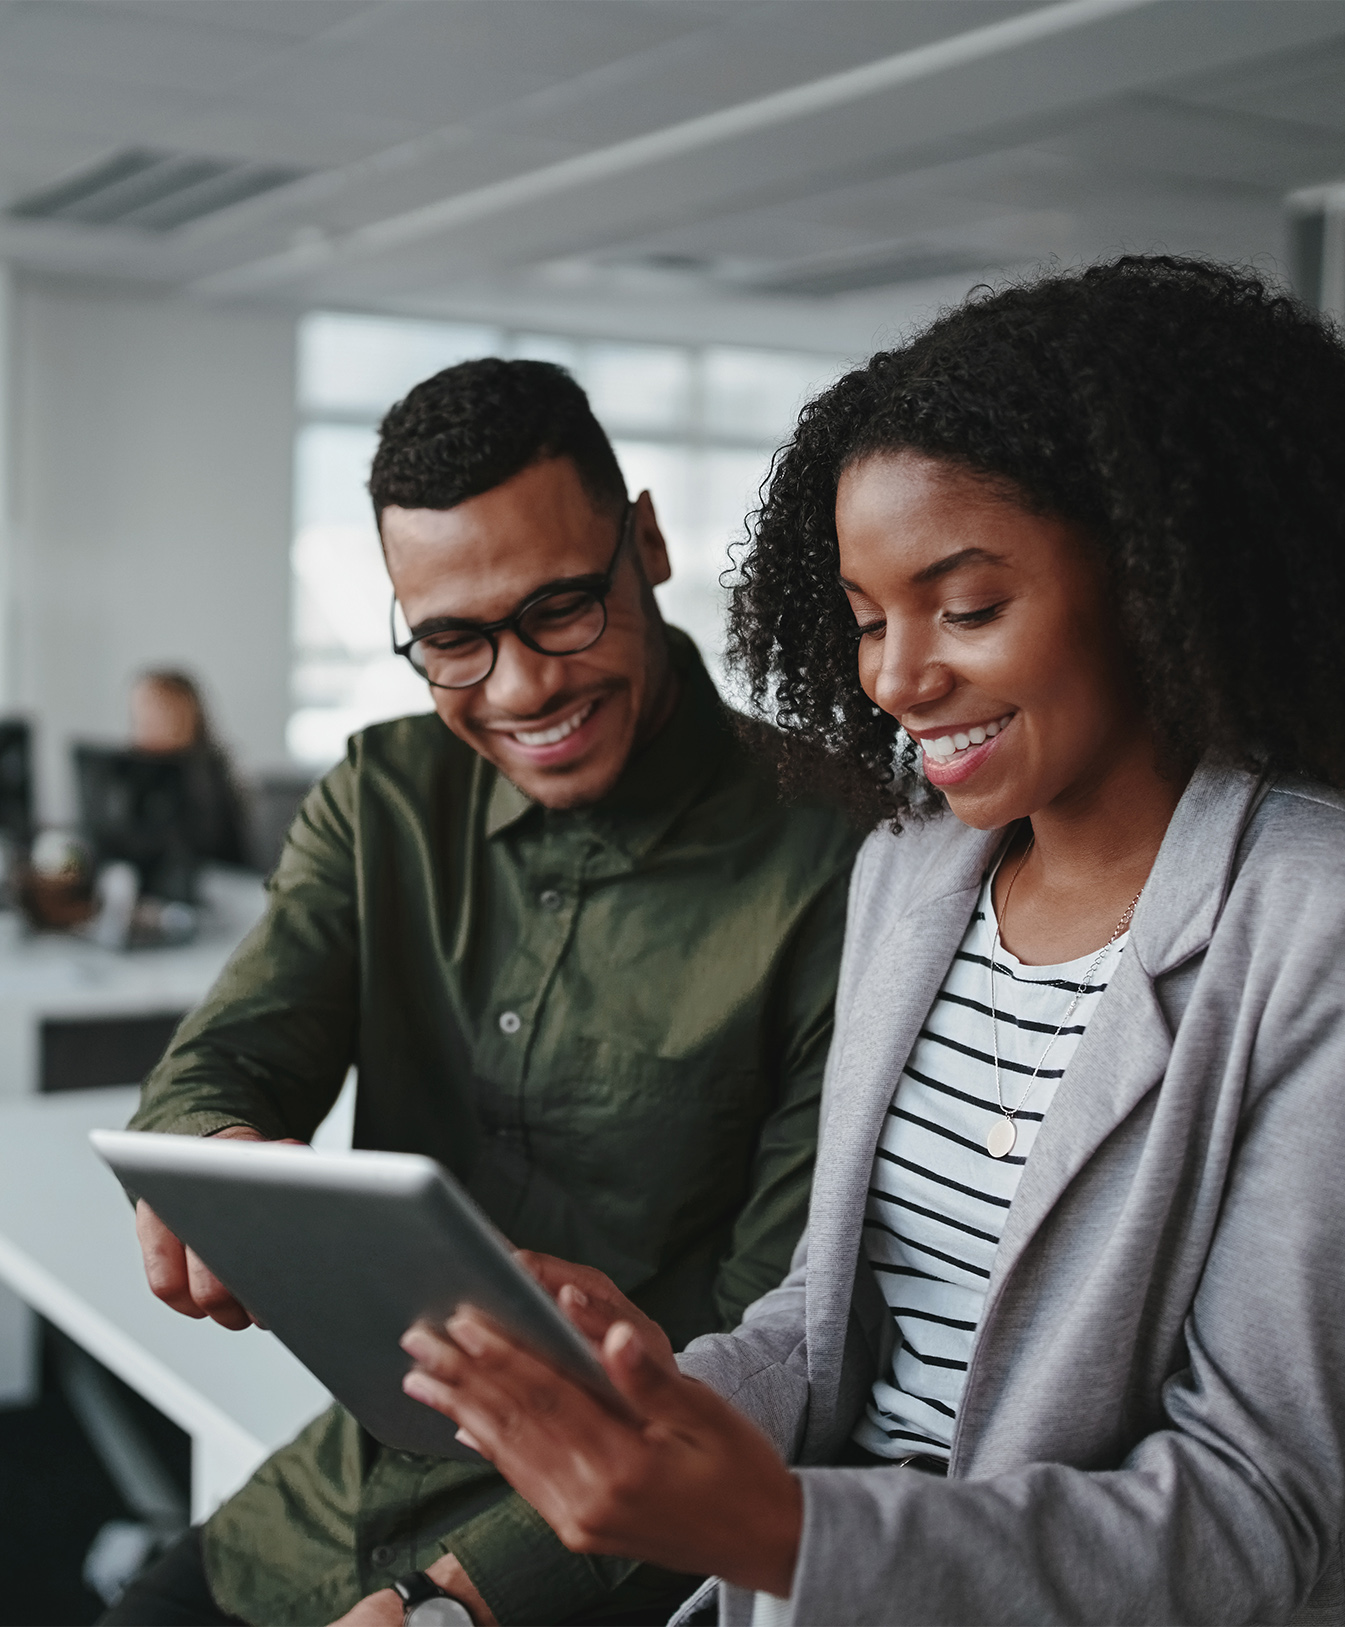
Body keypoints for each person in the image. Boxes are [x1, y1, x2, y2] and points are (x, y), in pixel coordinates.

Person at [394, 259, 1345, 1626]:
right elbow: (823, 1321)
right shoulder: (910, 870)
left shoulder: (1305, 918)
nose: (895, 677)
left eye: (965, 607)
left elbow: (1264, 1515)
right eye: (862, 618)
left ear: (1151, 575)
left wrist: (782, 1522)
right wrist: (645, 1387)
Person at [111, 360, 859, 1627]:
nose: (522, 689)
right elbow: (213, 1069)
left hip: (608, 1555)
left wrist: (461, 1602)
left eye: (563, 607)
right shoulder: (383, 793)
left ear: (649, 543)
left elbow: (779, 1346)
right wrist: (204, 1159)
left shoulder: (842, 857)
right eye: (454, 641)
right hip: (337, 1498)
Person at [129, 669, 248, 868]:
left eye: (154, 715)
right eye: (137, 719)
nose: (142, 728)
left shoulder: (207, 778)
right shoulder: (137, 775)